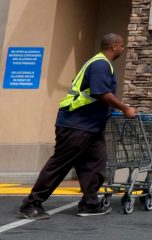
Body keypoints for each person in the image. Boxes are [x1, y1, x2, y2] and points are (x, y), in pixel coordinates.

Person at [18, 33, 137, 220]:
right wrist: (125, 108)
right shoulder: (100, 64)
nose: (123, 49)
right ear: (114, 46)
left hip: (91, 127)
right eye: (122, 46)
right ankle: (31, 204)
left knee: (96, 165)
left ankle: (89, 204)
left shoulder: (101, 64)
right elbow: (101, 93)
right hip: (76, 125)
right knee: (60, 165)